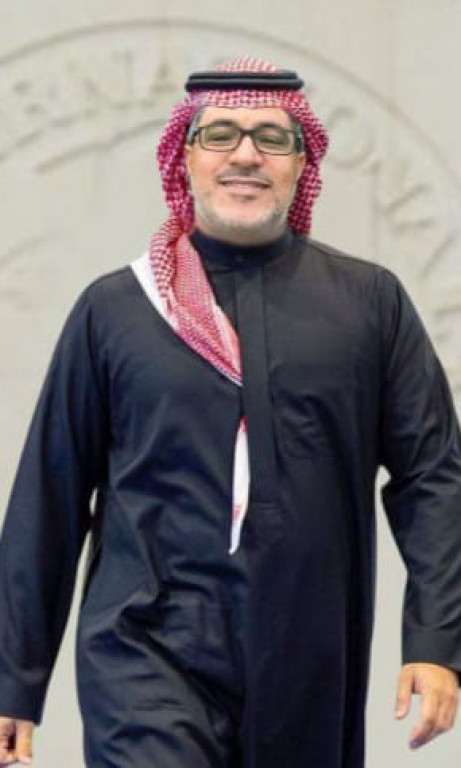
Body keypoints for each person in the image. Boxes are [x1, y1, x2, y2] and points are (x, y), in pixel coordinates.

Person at [0, 55, 460, 768]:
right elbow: (49, 497)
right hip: (143, 646)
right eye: (220, 135)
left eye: (271, 138)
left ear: (301, 162)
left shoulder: (369, 304)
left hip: (308, 651)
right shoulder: (115, 310)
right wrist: (14, 682)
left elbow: (432, 479)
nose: (245, 155)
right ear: (184, 156)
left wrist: (436, 641)